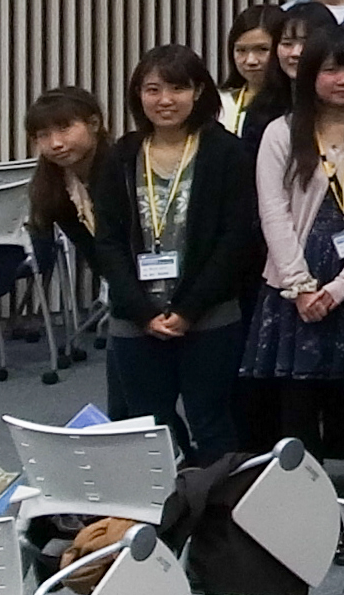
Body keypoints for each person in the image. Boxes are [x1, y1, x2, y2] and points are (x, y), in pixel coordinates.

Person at [242, 28, 344, 497]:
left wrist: (340, 288)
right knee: (297, 405)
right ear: (309, 74)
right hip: (296, 283)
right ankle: (305, 511)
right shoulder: (280, 132)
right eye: (331, 70)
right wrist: (300, 285)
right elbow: (272, 212)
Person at [84, 45, 257, 456]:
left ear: (198, 91)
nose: (165, 100)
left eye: (177, 88)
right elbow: (108, 241)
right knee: (147, 425)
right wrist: (142, 311)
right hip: (136, 317)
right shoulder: (121, 155)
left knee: (211, 421)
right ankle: (167, 499)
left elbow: (235, 239)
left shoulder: (226, 152)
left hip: (210, 313)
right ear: (138, 95)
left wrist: (188, 310)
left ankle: (217, 497)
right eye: (153, 90)